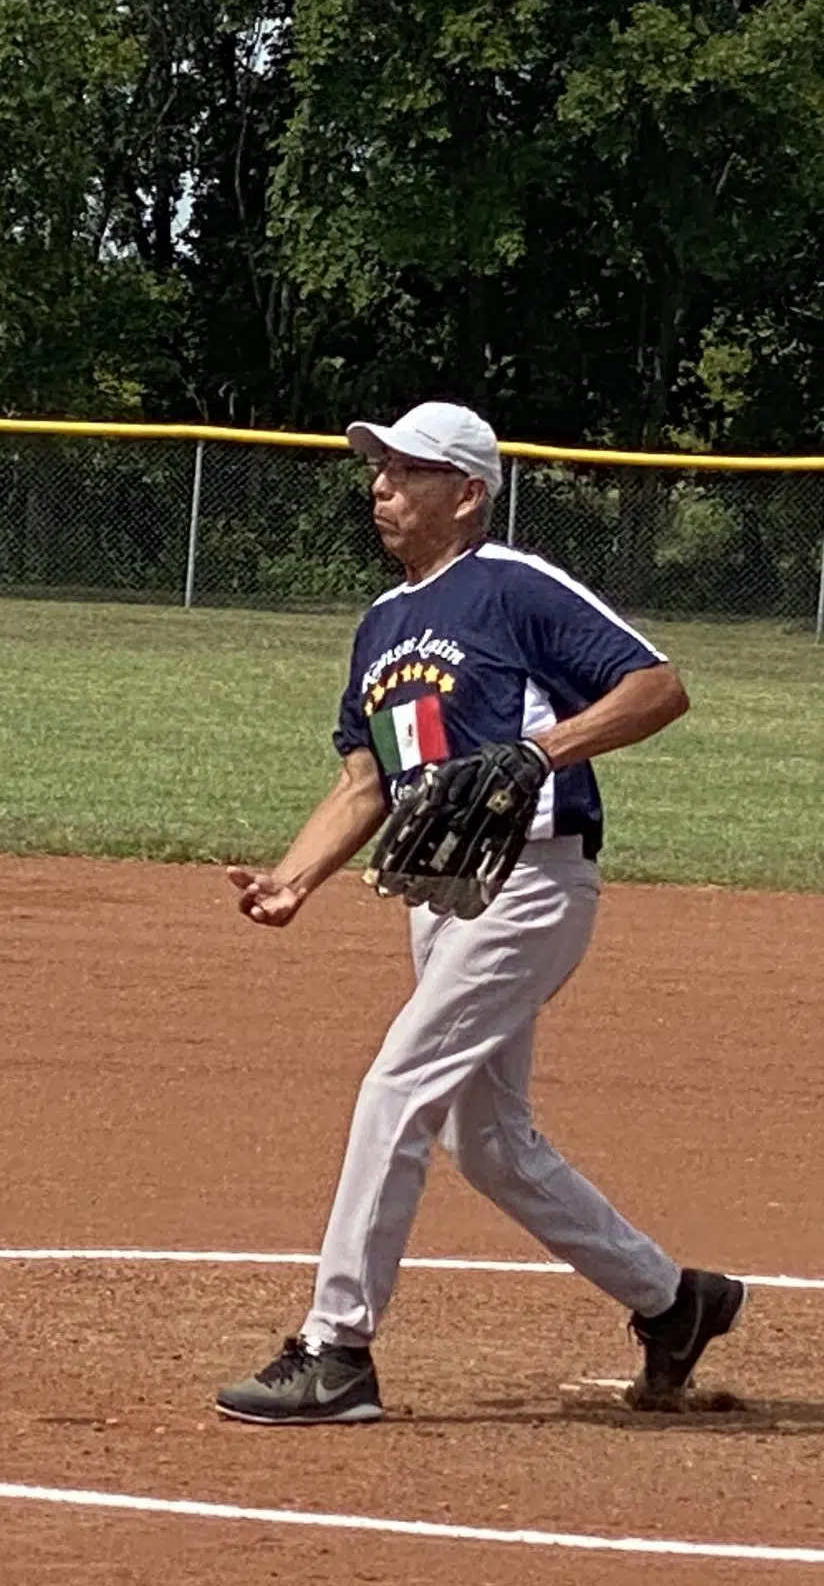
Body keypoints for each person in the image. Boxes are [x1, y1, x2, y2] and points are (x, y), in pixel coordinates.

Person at [213, 400, 744, 1425]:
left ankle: (336, 1348)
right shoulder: (380, 623)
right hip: (440, 894)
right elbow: (366, 777)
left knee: (396, 1087)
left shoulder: (511, 587)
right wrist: (293, 880)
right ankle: (673, 1303)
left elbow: (657, 686)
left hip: (532, 880)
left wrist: (541, 752)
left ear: (466, 494)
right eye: (376, 470)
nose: (381, 487)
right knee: (489, 1143)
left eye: (406, 471)